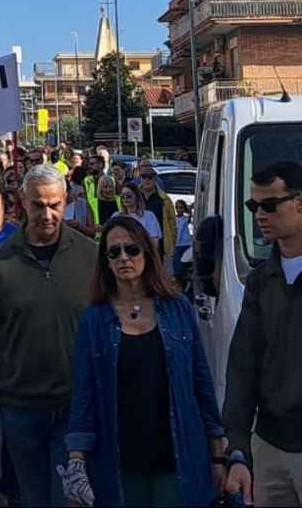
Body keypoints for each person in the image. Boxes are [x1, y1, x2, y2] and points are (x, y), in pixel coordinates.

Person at [62, 216, 224, 508]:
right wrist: (76, 462)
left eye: (132, 249)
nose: (124, 257)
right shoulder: (94, 320)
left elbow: (202, 383)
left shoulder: (179, 310)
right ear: (106, 262)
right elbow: (83, 395)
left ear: (147, 254)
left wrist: (217, 455)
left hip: (178, 457)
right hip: (119, 462)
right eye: (114, 252)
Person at [0, 164, 96, 507]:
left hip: (76, 409)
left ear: (66, 201)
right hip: (20, 410)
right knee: (35, 498)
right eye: (38, 204)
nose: (47, 214)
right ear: (22, 203)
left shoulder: (91, 256)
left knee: (71, 500)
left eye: (55, 204)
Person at [224, 161, 302, 507]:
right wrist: (238, 448)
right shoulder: (260, 280)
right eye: (253, 206)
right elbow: (243, 364)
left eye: (269, 205)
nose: (259, 215)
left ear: (299, 203)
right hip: (269, 446)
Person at [139, 165, 177, 258]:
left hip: (157, 243)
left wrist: (172, 241)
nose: (147, 180)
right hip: (138, 240)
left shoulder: (164, 198)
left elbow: (172, 221)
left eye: (150, 177)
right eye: (144, 177)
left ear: (155, 179)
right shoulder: (135, 196)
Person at [119, 184, 162, 255]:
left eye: (129, 195)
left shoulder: (149, 216)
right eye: (122, 196)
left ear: (137, 196)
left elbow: (155, 243)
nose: (125, 198)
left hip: (145, 256)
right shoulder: (117, 216)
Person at [82, 154, 106, 225]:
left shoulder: (109, 181)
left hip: (104, 218)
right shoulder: (86, 180)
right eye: (89, 164)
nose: (90, 166)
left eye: (92, 164)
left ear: (101, 165)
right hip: (90, 220)